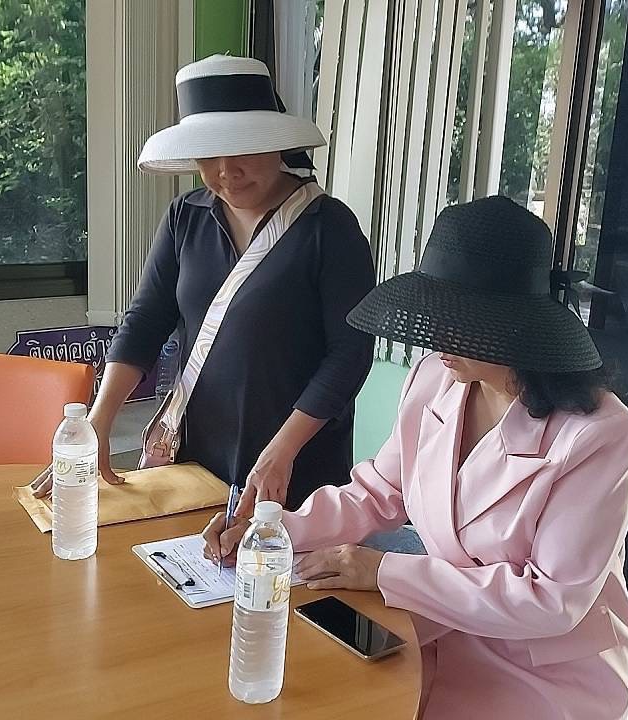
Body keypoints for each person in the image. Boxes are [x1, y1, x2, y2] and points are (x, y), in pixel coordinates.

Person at [205, 196, 628, 719]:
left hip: (543, 673)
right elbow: (377, 493)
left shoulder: (602, 438)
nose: (435, 336)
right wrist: (272, 531)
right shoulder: (435, 380)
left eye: (454, 318)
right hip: (435, 628)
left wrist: (384, 571)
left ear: (509, 322)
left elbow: (550, 602)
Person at [33, 55, 375, 511]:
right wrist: (99, 421)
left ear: (276, 143)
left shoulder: (328, 228)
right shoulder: (187, 216)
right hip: (197, 454)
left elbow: (350, 355)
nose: (226, 171)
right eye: (209, 154)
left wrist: (283, 449)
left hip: (294, 460)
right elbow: (146, 321)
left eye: (243, 149)